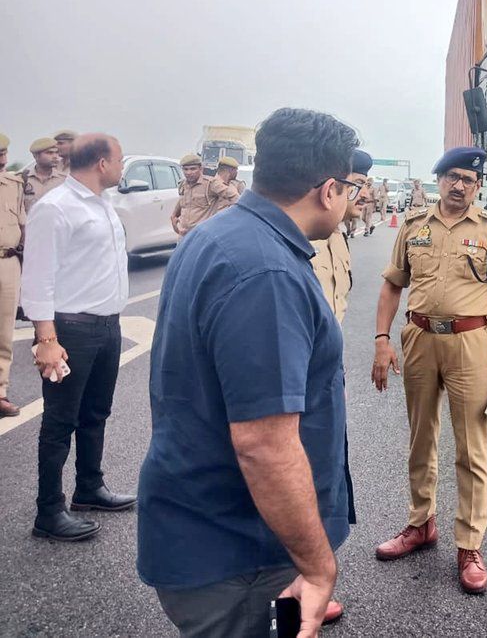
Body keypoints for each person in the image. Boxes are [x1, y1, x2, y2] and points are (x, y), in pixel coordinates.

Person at [138, 108, 360, 638]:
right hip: (241, 551)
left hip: (221, 529)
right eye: (349, 186)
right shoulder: (267, 273)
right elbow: (264, 443)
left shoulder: (224, 235)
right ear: (328, 190)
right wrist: (316, 565)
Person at [372, 146, 487, 594]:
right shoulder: (414, 226)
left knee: (472, 446)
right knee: (421, 437)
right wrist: (382, 340)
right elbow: (392, 285)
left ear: (477, 186)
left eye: (468, 180)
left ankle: (469, 545)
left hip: (472, 341)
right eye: (452, 177)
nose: (459, 185)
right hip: (418, 338)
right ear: (438, 180)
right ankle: (420, 524)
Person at [21, 134, 133, 542]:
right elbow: (38, 277)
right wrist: (46, 339)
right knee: (59, 421)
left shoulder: (103, 203)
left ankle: (89, 488)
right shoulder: (55, 208)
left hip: (107, 326)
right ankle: (48, 511)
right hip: (72, 330)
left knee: (95, 413)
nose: (122, 166)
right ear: (102, 163)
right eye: (120, 159)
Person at [311, 149, 372, 324]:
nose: (365, 194)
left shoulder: (338, 238)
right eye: (358, 184)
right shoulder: (301, 238)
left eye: (367, 186)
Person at [0, 135, 25, 417]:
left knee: (4, 332)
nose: (2, 160)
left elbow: (22, 224)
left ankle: (1, 392)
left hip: (8, 262)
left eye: (4, 153)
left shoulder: (15, 184)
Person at [169, 153, 239, 236]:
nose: (189, 172)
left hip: (202, 236)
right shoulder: (183, 185)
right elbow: (182, 202)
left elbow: (235, 198)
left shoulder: (211, 184)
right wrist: (174, 218)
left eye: (193, 169)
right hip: (184, 235)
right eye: (185, 169)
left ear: (201, 169)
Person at [22, 137, 66, 215]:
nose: (55, 156)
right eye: (49, 153)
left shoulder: (64, 180)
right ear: (36, 156)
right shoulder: (22, 179)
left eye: (56, 152)